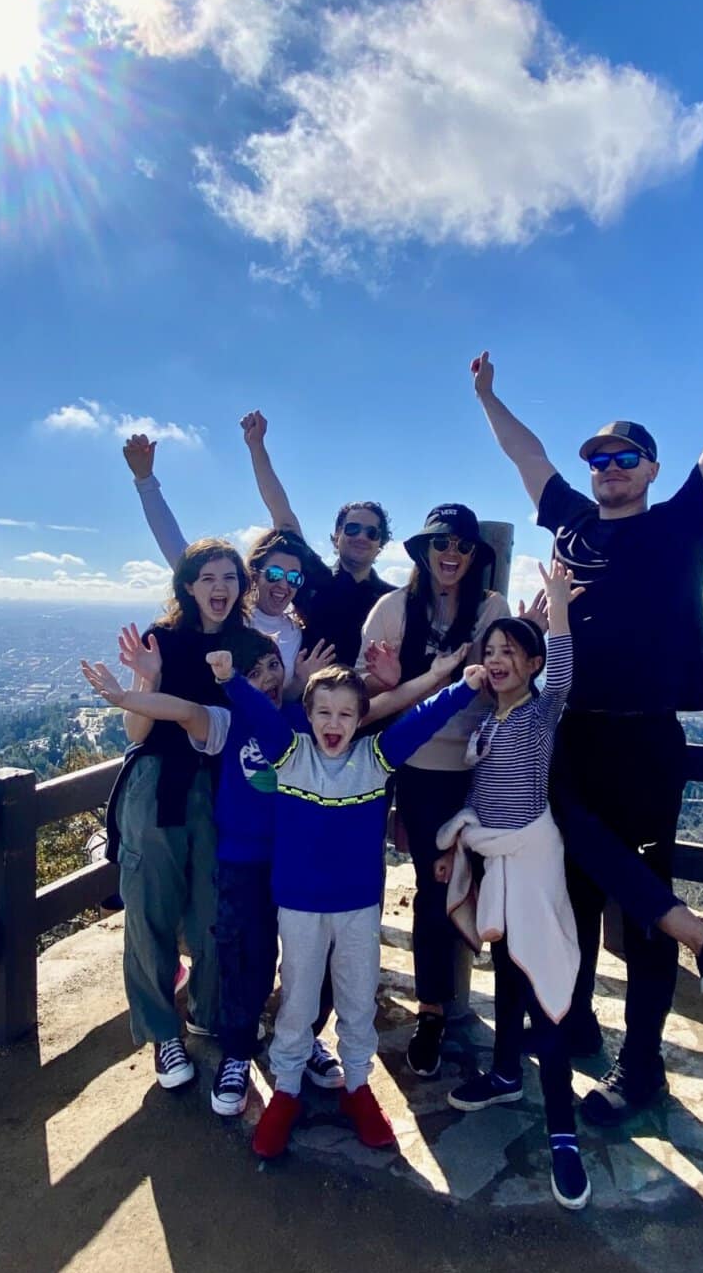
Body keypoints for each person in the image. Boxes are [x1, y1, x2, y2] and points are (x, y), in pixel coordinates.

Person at [469, 267, 703, 1126]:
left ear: (653, 469)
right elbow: (527, 457)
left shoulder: (682, 522)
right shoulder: (571, 526)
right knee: (578, 893)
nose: (607, 470)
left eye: (624, 458)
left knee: (639, 897)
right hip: (570, 732)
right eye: (599, 460)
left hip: (646, 741)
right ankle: (581, 1022)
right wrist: (488, 395)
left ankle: (644, 1067)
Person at [83, 630, 465, 1119]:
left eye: (271, 665)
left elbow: (378, 706)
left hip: (302, 868)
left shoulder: (307, 719)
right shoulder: (228, 720)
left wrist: (435, 678)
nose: (264, 678)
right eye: (252, 671)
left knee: (317, 967)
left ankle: (305, 1044)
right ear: (233, 679)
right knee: (247, 960)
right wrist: (128, 696)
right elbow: (182, 711)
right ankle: (239, 1054)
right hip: (243, 862)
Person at [207, 649, 482, 1160]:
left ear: (361, 720)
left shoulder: (375, 760)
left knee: (357, 999)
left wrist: (462, 686)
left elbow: (421, 721)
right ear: (307, 717)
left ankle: (358, 1087)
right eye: (324, 713)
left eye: (346, 714)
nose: (334, 724)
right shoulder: (289, 755)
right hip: (300, 907)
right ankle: (286, 1092)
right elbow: (260, 714)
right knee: (298, 999)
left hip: (356, 907)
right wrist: (229, 679)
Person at [359, 505, 509, 1078]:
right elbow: (362, 697)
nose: (452, 552)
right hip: (415, 767)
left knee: (490, 886)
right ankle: (432, 1010)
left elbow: (511, 679)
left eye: (464, 545)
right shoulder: (393, 608)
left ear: (475, 555)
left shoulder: (491, 610)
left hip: (478, 768)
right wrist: (386, 675)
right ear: (423, 549)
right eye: (440, 541)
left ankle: (504, 1003)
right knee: (432, 886)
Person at [105, 539, 248, 1092]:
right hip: (158, 784)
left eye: (230, 578)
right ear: (188, 586)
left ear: (241, 587)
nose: (219, 588)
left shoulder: (250, 644)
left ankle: (210, 1015)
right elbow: (136, 735)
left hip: (223, 791)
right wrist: (147, 678)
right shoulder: (160, 640)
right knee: (149, 911)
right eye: (208, 577)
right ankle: (163, 1031)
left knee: (218, 910)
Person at [121, 431, 322, 693]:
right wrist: (145, 480)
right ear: (252, 575)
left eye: (294, 578)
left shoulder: (294, 633)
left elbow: (279, 702)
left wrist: (301, 681)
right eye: (274, 574)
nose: (284, 584)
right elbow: (175, 545)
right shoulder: (229, 616)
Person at [239, 411, 395, 664]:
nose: (361, 537)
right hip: (308, 698)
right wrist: (256, 446)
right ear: (336, 538)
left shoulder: (394, 600)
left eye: (372, 532)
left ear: (381, 545)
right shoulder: (312, 580)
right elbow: (283, 517)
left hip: (372, 701)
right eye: (352, 528)